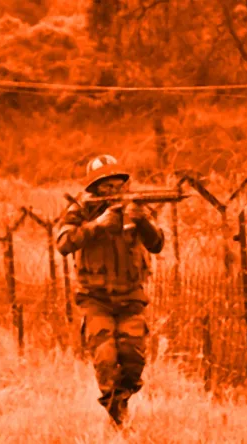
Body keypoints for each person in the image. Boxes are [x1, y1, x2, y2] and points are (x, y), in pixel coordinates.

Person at [55, 154, 166, 427]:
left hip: (131, 297)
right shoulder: (80, 209)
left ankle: (121, 400)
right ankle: (117, 416)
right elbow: (63, 242)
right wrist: (97, 225)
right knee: (105, 357)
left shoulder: (136, 207)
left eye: (116, 184)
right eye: (105, 185)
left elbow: (157, 244)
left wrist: (142, 221)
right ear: (94, 187)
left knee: (133, 359)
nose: (112, 190)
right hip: (96, 299)